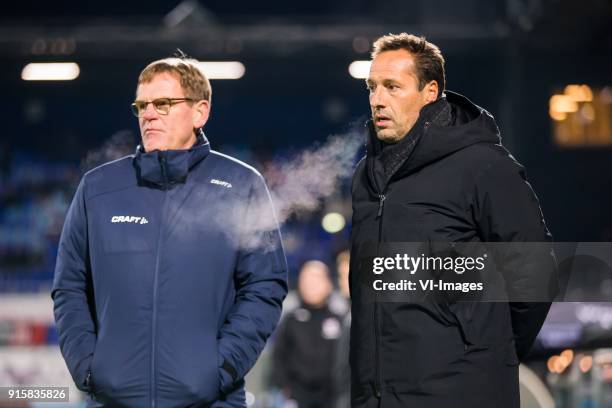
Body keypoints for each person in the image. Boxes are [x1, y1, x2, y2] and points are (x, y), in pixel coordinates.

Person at [52, 55, 288, 407]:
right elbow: (70, 286)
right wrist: (88, 368)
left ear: (200, 112)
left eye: (163, 103)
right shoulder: (98, 189)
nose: (148, 114)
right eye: (141, 105)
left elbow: (264, 287)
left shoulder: (241, 184)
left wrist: (220, 368)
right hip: (112, 400)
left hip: (211, 400)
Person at [349, 33, 558, 407]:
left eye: (393, 87)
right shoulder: (366, 176)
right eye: (372, 87)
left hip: (463, 391)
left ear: (430, 92)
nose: (377, 100)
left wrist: (488, 354)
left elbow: (535, 275)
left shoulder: (484, 167)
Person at [271, 260, 343, 408]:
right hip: (296, 396)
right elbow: (278, 356)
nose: (311, 284)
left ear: (328, 283)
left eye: (316, 278)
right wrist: (285, 388)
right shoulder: (291, 320)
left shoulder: (339, 320)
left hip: (331, 397)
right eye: (306, 278)